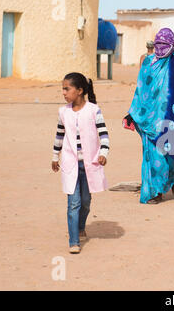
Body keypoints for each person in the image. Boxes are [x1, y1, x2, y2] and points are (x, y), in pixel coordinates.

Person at [125, 28, 174, 204]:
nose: (160, 48)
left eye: (164, 44)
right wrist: (133, 112)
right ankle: (156, 191)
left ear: (172, 45)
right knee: (154, 156)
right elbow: (141, 89)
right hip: (149, 118)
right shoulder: (148, 63)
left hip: (172, 117)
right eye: (158, 44)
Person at [52, 73, 110, 254]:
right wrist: (55, 156)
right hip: (70, 164)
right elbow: (59, 135)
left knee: (85, 202)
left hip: (89, 164)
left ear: (79, 91)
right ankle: (74, 241)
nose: (63, 93)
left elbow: (104, 134)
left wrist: (103, 153)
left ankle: (81, 225)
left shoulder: (93, 110)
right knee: (73, 203)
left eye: (66, 89)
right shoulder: (63, 112)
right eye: (63, 89)